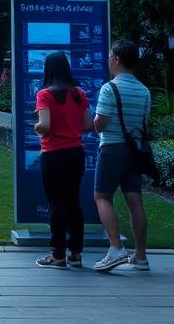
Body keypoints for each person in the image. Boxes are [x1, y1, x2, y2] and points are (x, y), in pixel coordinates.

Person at [92, 39, 152, 273]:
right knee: (134, 200)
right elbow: (143, 123)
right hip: (135, 150)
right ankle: (140, 256)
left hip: (112, 149)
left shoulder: (110, 88)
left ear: (116, 58)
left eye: (110, 56)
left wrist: (93, 121)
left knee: (102, 196)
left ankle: (116, 248)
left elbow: (100, 124)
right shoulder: (144, 91)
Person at [32, 51, 93, 269]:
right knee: (73, 202)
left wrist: (36, 126)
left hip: (53, 153)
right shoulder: (79, 93)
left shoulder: (45, 94)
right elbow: (87, 125)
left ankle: (57, 254)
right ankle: (76, 253)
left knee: (56, 202)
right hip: (76, 152)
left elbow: (45, 126)